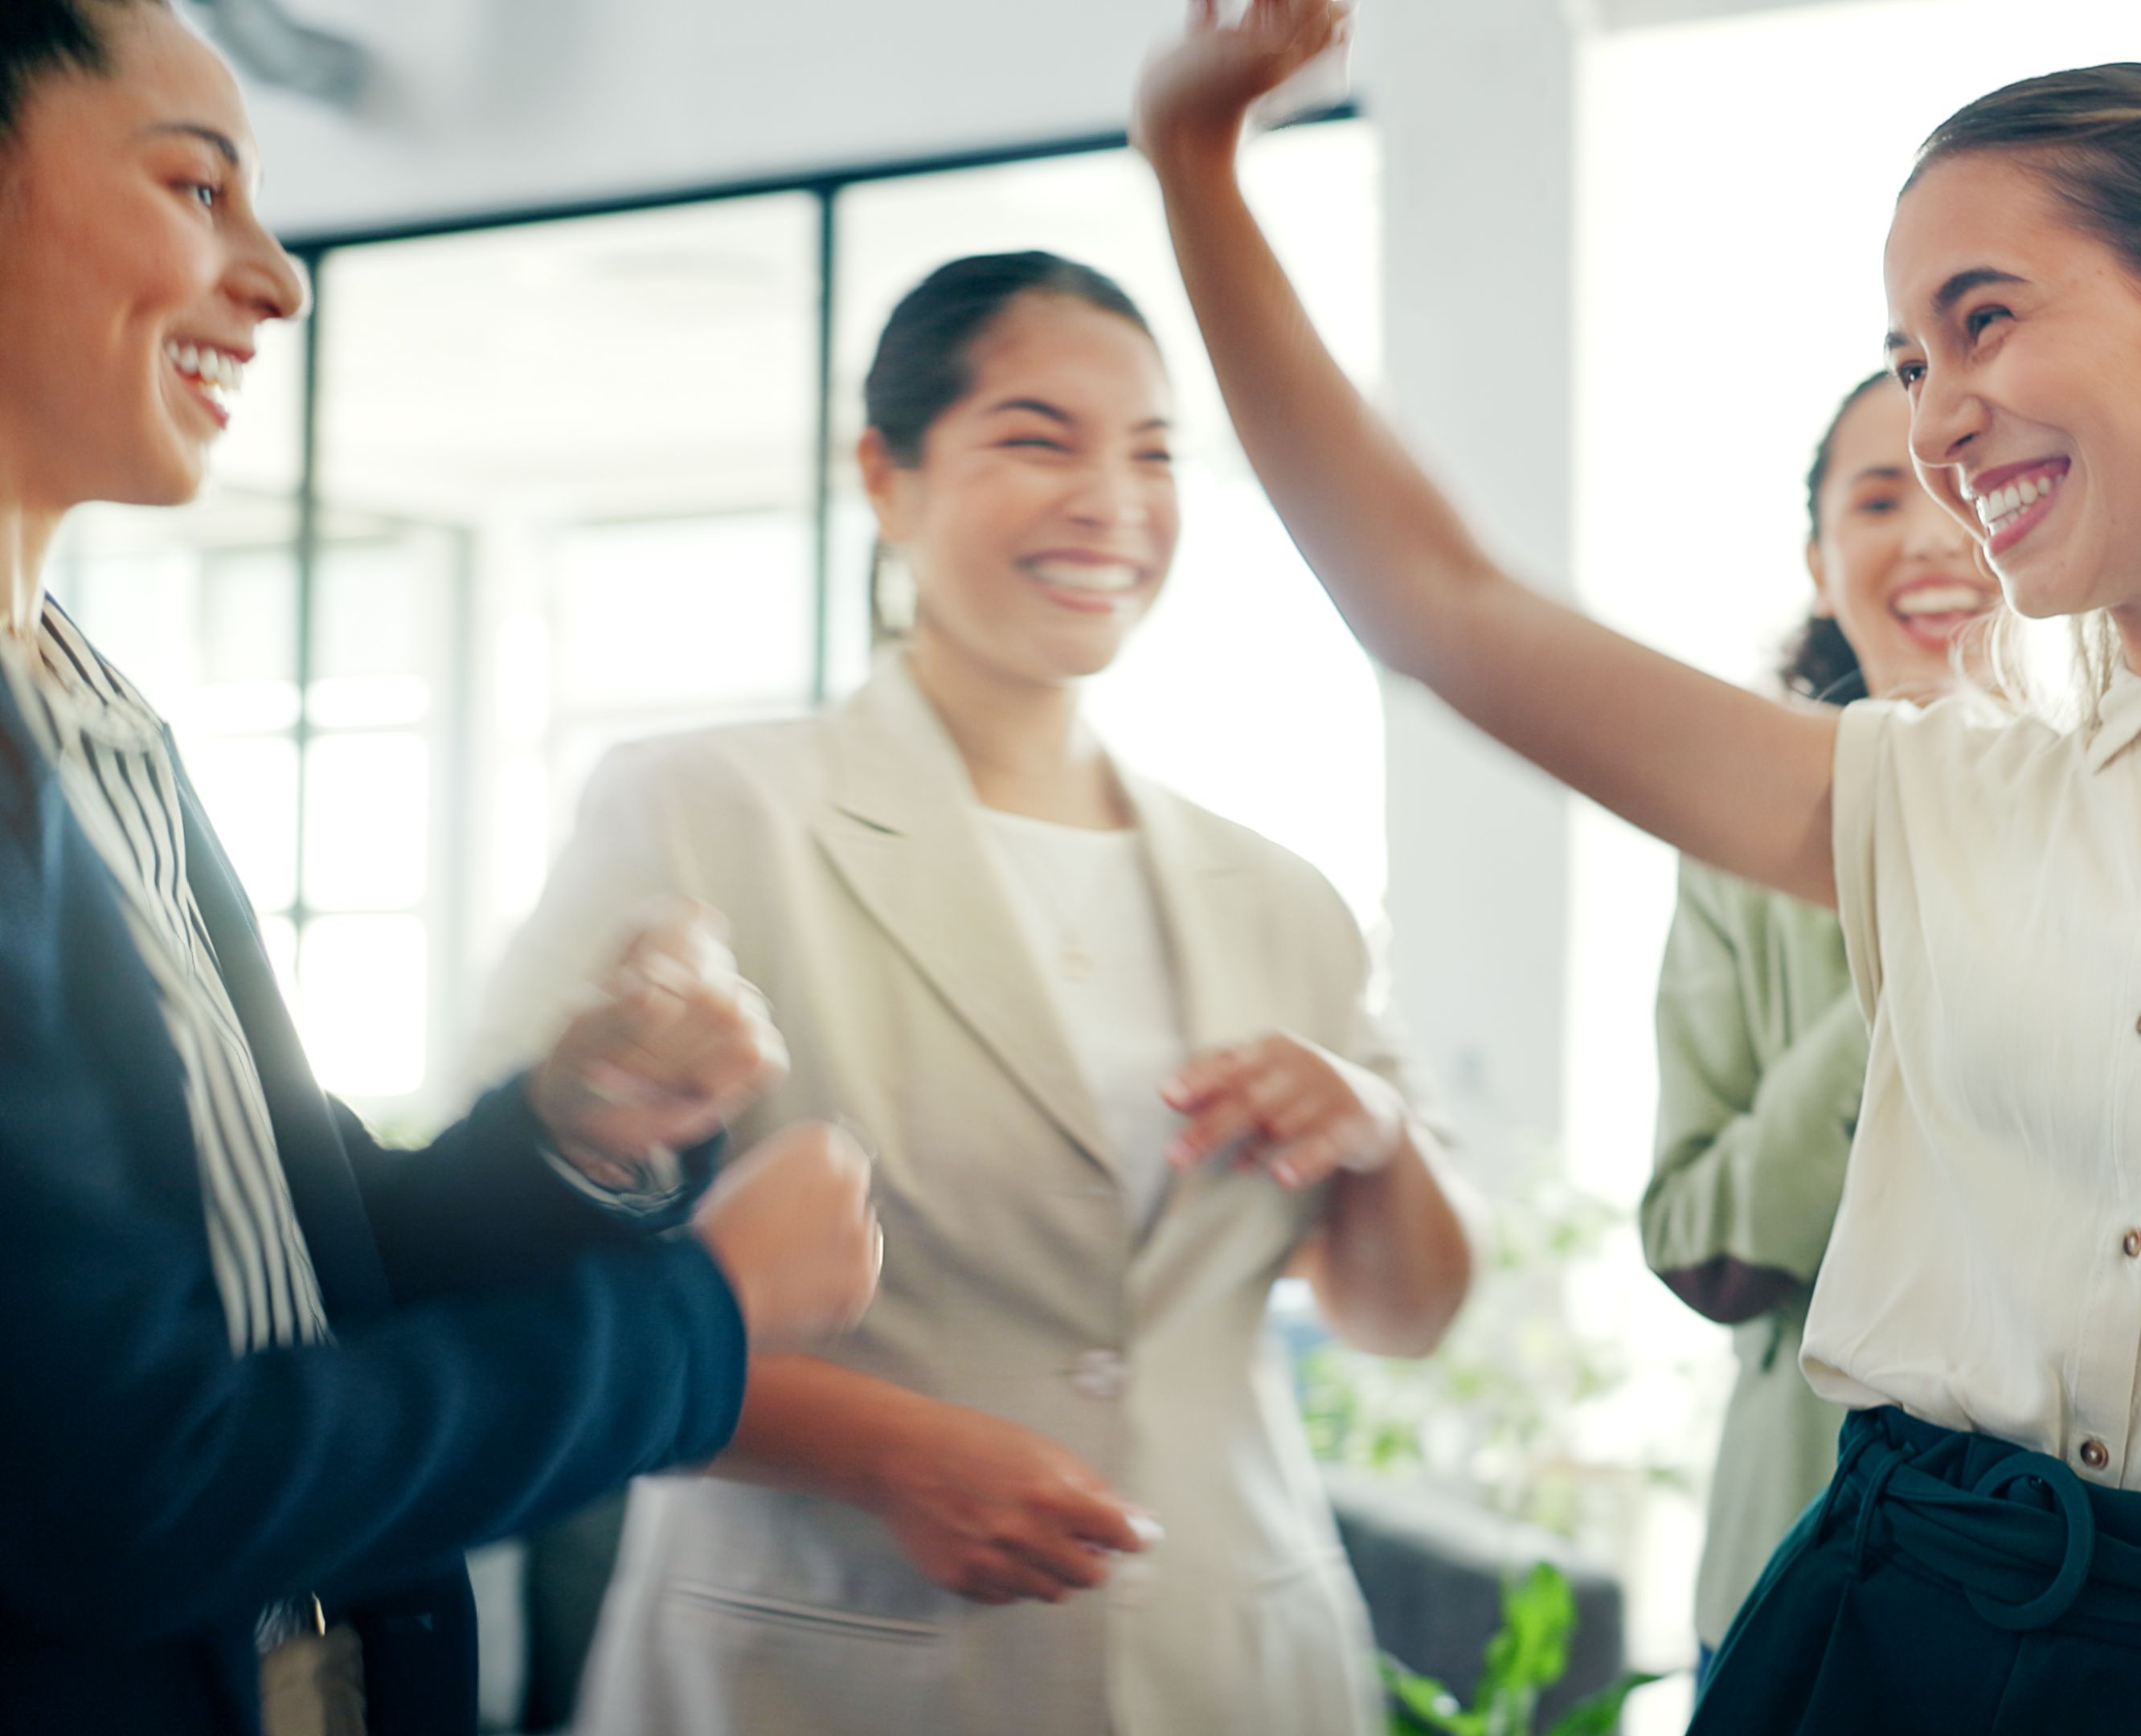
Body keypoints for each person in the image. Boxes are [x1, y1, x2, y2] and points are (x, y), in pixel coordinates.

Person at [1138, 0, 2141, 1726]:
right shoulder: (1935, 801)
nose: (1937, 423)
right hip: (1867, 1647)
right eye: (1910, 364)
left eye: (1979, 324)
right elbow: (1443, 612)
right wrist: (1191, 164)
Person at [0, 5, 885, 1732]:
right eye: (198, 188)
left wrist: (572, 1131)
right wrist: (699, 1324)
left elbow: (304, 1273)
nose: (278, 278)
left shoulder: (97, 720)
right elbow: (130, 1487)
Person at [475, 249, 1476, 1736]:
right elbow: (500, 1276)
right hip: (824, 1662)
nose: (1112, 501)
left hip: (1230, 1661)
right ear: (887, 474)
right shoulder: (702, 812)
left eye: (1154, 452)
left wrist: (1378, 1131)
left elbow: (1402, 1316)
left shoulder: (1280, 895)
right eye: (1037, 438)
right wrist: (878, 1451)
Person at [1637, 369, 1995, 1690]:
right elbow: (1696, 1249)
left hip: (2077, 1617)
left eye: (1965, 486)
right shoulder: (1734, 853)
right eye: (1879, 496)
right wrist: (1914, 968)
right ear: (1819, 556)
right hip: (1796, 1581)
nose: (1932, 533)